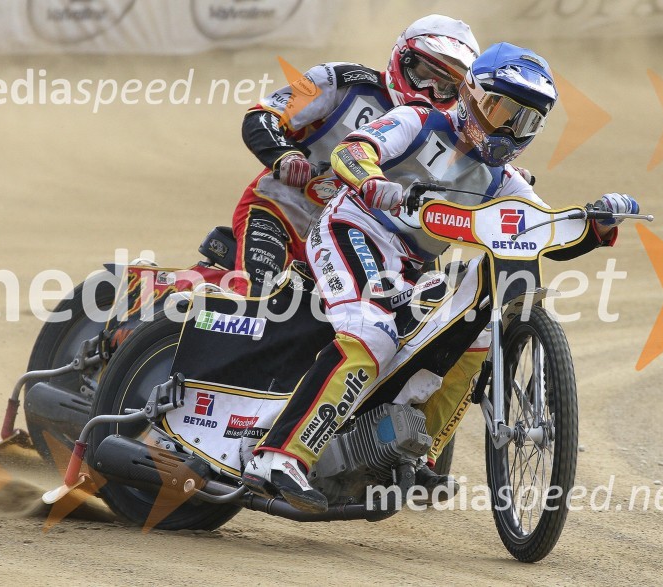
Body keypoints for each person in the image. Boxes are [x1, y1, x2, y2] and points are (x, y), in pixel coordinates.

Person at [242, 42, 640, 513]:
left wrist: (596, 226)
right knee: (372, 334)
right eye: (502, 109)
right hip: (353, 229)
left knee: (464, 346)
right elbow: (354, 150)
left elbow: (544, 233)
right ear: (471, 92)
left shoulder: (504, 180)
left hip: (408, 264)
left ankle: (418, 454)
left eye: (526, 120)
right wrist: (371, 180)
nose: (510, 129)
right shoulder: (418, 118)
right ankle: (279, 457)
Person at [231, 14, 481, 298]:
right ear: (403, 57)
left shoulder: (449, 131)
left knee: (414, 315)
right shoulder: (339, 80)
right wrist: (286, 156)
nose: (430, 91)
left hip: (359, 240)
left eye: (446, 86)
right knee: (255, 301)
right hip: (281, 211)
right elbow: (263, 115)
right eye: (424, 75)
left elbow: (472, 180)